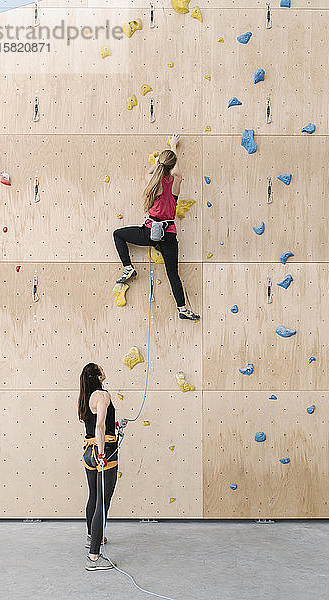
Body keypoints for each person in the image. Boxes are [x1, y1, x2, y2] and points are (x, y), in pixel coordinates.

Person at [113, 134, 200, 321]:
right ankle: (182, 308)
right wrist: (173, 147)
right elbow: (176, 172)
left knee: (118, 235)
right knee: (172, 274)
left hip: (149, 232)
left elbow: (150, 172)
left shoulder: (151, 182)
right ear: (172, 166)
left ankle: (128, 267)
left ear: (159, 165)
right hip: (168, 235)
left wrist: (159, 161)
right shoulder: (176, 182)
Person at [78, 362, 118, 571]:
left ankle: (91, 537)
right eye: (102, 368)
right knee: (102, 502)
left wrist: (116, 425)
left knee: (94, 496)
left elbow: (98, 423)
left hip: (88, 452)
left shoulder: (86, 397)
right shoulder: (102, 395)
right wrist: (102, 453)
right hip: (104, 452)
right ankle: (94, 557)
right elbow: (100, 425)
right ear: (99, 376)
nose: (104, 369)